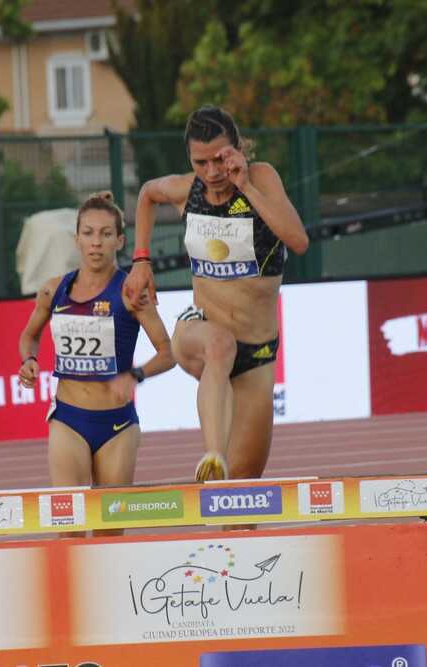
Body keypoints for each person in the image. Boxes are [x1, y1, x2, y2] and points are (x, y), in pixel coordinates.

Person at [123, 106, 309, 482]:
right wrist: (140, 260)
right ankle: (212, 455)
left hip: (256, 352)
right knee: (220, 345)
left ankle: (230, 527)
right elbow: (146, 194)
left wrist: (247, 186)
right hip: (200, 331)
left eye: (220, 160)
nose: (211, 173)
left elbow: (298, 241)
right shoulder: (185, 190)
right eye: (200, 162)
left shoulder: (262, 178)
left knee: (244, 486)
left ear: (238, 150)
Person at [18, 192, 174, 501]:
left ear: (119, 241)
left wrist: (135, 375)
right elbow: (29, 336)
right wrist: (29, 359)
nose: (96, 242)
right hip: (68, 420)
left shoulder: (131, 291)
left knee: (109, 530)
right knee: (68, 524)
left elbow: (168, 352)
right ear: (76, 239)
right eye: (88, 233)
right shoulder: (54, 290)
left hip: (117, 424)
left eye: (105, 234)